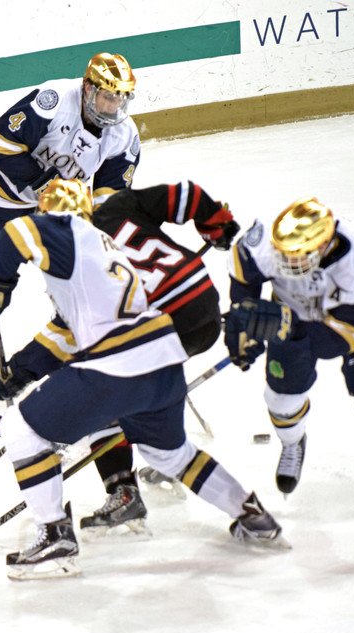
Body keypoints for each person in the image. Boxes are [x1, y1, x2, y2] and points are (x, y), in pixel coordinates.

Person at [0, 178, 284, 580]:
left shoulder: (69, 232)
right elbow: (69, 331)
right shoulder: (107, 251)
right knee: (171, 455)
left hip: (116, 365)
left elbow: (18, 231)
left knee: (21, 429)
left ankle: (54, 539)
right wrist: (21, 371)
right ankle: (252, 515)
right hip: (164, 359)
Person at [0, 53, 140, 351]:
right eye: (108, 96)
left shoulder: (125, 135)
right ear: (88, 89)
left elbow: (111, 199)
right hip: (3, 193)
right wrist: (44, 183)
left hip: (58, 211)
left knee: (72, 278)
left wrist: (97, 234)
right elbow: (2, 142)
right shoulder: (55, 100)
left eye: (121, 99)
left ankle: (66, 346)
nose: (114, 106)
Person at [79, 180, 240, 532]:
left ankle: (124, 490)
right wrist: (215, 224)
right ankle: (167, 451)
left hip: (167, 327)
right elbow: (189, 194)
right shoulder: (118, 206)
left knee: (99, 394)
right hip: (206, 307)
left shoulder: (72, 258)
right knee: (144, 380)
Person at [224, 196, 354, 495]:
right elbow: (244, 280)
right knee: (281, 401)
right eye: (282, 253)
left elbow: (349, 337)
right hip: (291, 319)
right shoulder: (263, 244)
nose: (284, 263)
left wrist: (286, 325)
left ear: (323, 245)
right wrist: (245, 325)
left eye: (296, 256)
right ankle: (293, 444)